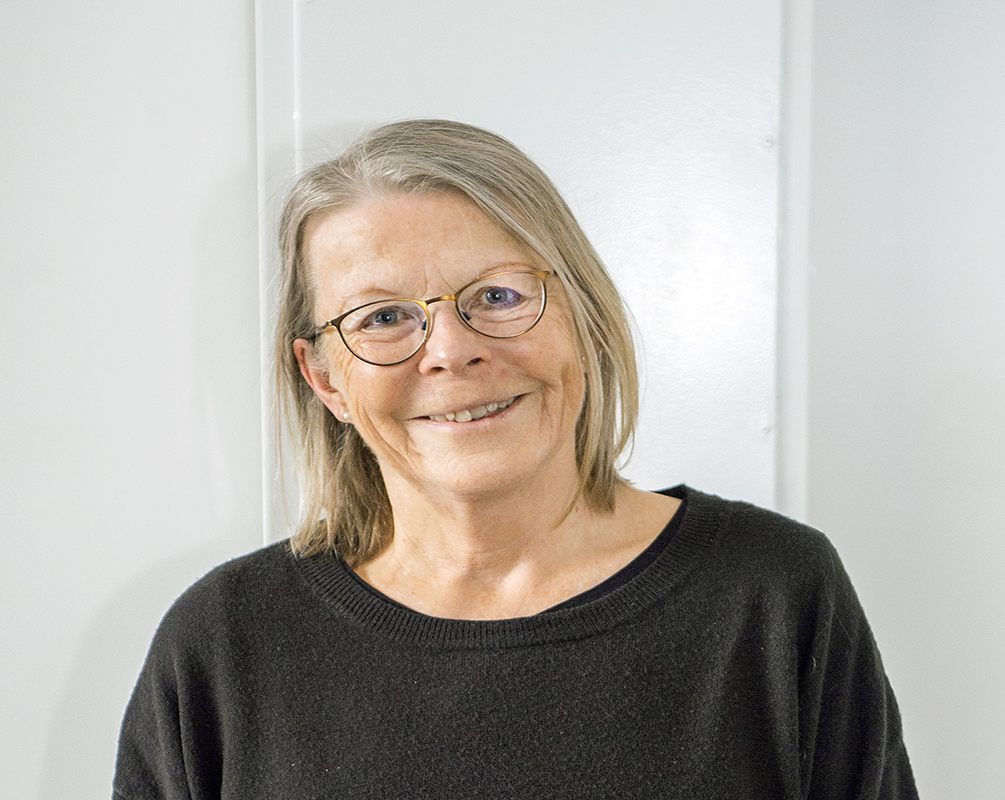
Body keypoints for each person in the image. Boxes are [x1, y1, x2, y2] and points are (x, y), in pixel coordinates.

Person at [113, 119, 918, 799]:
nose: (450, 351)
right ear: (324, 378)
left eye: (498, 295)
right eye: (383, 317)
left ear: (584, 319)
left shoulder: (773, 593)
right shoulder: (224, 644)